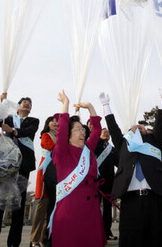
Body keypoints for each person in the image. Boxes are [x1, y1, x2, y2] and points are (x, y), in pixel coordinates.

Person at [100, 84, 162, 247]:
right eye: (133, 127)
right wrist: (106, 106)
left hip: (155, 197)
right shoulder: (123, 144)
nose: (138, 127)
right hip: (130, 199)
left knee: (156, 239)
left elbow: (160, 123)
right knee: (130, 240)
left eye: (141, 127)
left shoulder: (154, 141)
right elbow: (113, 128)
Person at [50, 90, 106, 247]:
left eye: (83, 129)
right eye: (78, 129)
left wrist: (90, 108)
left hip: (91, 210)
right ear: (68, 134)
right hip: (70, 210)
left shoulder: (87, 149)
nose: (83, 132)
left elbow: (96, 130)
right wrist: (66, 104)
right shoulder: (62, 152)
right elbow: (60, 130)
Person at [0, 93, 39, 247]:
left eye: (29, 104)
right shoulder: (9, 118)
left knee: (18, 206)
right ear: (18, 105)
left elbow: (29, 131)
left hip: (23, 165)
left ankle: (14, 243)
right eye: (24, 103)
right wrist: (2, 102)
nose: (27, 105)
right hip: (6, 163)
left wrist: (13, 131)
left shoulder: (33, 121)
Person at [30, 116, 58, 247]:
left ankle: (44, 237)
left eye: (57, 122)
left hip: (56, 171)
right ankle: (34, 239)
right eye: (51, 121)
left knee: (51, 205)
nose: (54, 123)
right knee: (43, 204)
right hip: (46, 170)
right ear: (47, 124)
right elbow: (51, 147)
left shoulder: (61, 137)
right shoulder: (45, 135)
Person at [95, 127, 118, 241]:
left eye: (108, 132)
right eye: (103, 132)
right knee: (96, 207)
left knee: (108, 208)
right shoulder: (96, 146)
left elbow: (119, 162)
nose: (106, 133)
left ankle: (107, 230)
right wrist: (99, 139)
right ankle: (95, 230)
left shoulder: (112, 149)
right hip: (97, 181)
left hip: (109, 182)